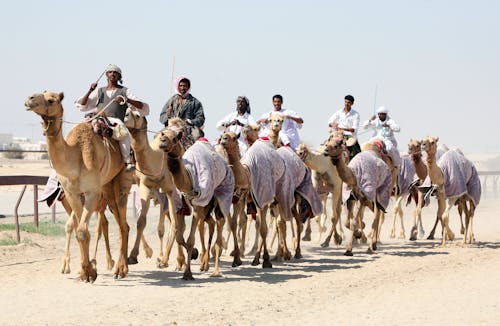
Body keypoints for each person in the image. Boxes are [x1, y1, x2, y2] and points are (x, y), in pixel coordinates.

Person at [76, 64, 149, 171]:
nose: (112, 74)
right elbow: (83, 105)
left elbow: (141, 106)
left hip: (116, 122)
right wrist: (90, 90)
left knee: (124, 135)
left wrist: (126, 99)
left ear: (119, 77)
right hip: (98, 119)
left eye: (115, 72)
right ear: (106, 75)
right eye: (110, 72)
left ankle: (127, 161)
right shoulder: (99, 91)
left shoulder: (125, 91)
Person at [159, 76, 205, 141]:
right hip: (172, 128)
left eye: (185, 86)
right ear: (178, 86)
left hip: (189, 129)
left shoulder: (195, 102)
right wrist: (167, 115)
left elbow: (201, 118)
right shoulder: (171, 100)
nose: (182, 88)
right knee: (157, 137)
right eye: (181, 85)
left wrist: (190, 121)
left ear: (188, 87)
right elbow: (161, 117)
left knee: (197, 136)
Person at [328, 94, 361, 159]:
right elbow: (329, 122)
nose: (346, 104)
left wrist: (342, 128)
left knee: (354, 153)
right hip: (337, 134)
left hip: (349, 136)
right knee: (327, 146)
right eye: (345, 102)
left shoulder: (356, 114)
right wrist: (333, 124)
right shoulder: (339, 112)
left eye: (348, 102)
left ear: (352, 103)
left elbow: (353, 129)